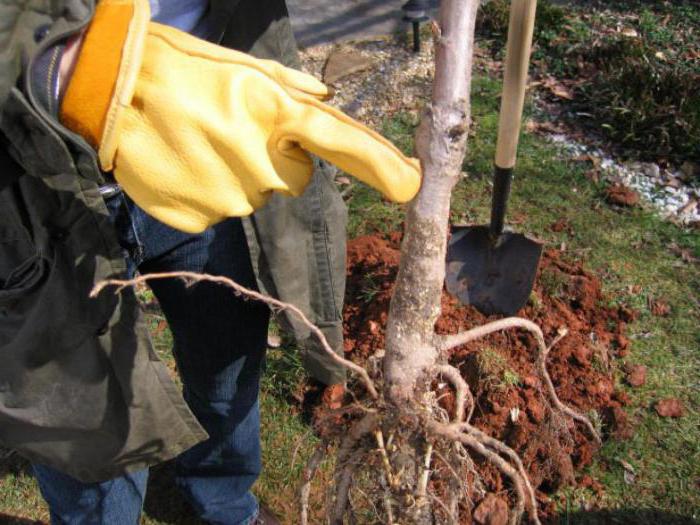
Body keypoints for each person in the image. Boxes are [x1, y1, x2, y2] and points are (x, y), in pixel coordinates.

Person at [0, 0, 420, 523]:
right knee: (87, 404)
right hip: (42, 182)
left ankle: (222, 502)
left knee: (228, 349)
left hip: (192, 145)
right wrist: (84, 75)